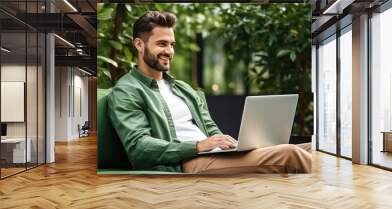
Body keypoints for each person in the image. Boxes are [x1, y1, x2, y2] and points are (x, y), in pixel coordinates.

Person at [107, 11, 312, 174]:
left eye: (172, 45)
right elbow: (139, 147)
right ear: (139, 45)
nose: (169, 51)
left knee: (312, 149)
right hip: (187, 163)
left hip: (215, 155)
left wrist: (229, 143)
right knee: (290, 153)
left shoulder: (183, 88)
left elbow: (210, 127)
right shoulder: (127, 91)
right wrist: (198, 146)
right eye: (162, 44)